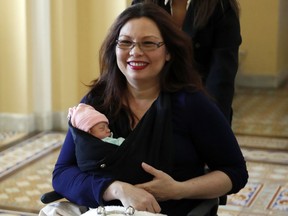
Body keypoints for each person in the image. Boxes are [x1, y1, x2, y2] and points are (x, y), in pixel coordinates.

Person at [50, 3, 248, 216]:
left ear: (169, 52)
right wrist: (117, 189)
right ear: (114, 48)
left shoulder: (192, 104)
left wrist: (178, 190)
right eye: (125, 43)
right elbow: (62, 173)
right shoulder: (96, 101)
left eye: (149, 43)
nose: (135, 52)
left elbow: (234, 172)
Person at [132, 0, 241, 124]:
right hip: (150, 104)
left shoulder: (221, 6)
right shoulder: (142, 2)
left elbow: (222, 74)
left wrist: (213, 121)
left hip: (200, 103)